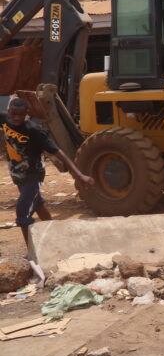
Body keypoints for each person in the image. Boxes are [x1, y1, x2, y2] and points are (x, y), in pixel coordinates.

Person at [1, 98, 94, 246]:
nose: (16, 118)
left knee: (22, 211)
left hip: (33, 175)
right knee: (37, 204)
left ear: (27, 113)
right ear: (9, 111)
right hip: (17, 174)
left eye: (20, 114)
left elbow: (58, 153)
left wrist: (79, 175)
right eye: (13, 114)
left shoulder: (34, 131)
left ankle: (32, 253)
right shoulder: (5, 120)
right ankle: (55, 238)